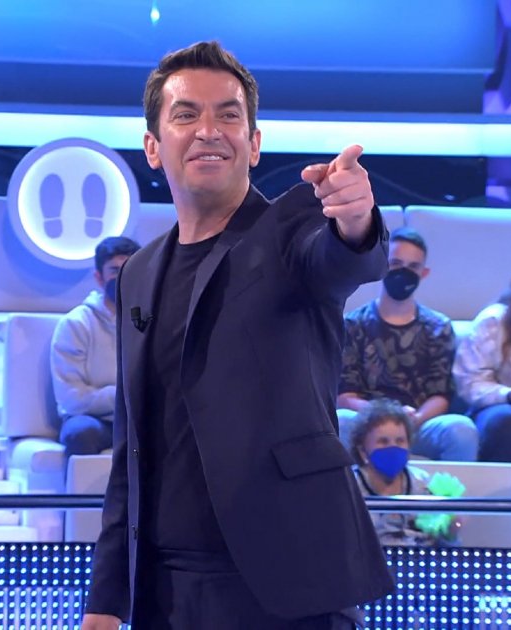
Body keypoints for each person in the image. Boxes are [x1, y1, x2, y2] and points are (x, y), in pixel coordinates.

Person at [82, 41, 394, 630]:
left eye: (228, 115)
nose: (209, 130)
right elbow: (132, 448)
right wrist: (105, 599)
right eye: (186, 115)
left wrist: (356, 219)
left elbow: (342, 257)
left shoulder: (293, 230)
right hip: (166, 593)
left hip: (290, 588)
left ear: (253, 143)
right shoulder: (139, 274)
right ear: (153, 147)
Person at [337, 227, 478, 462]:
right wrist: (387, 417)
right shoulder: (353, 324)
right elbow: (345, 396)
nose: (404, 272)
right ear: (381, 265)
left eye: (413, 267)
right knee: (341, 420)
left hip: (418, 424)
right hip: (367, 423)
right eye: (396, 263)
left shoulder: (438, 327)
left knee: (460, 430)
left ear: (424, 273)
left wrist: (414, 419)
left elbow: (441, 395)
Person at [50, 236, 140, 458]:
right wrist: (125, 395)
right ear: (99, 278)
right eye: (115, 270)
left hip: (141, 419)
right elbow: (71, 398)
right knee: (81, 433)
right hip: (94, 419)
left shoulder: (153, 319)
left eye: (131, 269)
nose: (124, 277)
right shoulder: (76, 324)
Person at [350, 398, 461, 546]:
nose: (393, 448)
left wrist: (452, 526)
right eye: (383, 441)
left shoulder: (424, 485)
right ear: (362, 451)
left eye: (400, 441)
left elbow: (447, 540)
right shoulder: (349, 488)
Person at [453, 263, 511, 462]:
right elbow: (471, 382)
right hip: (503, 407)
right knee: (507, 421)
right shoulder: (495, 321)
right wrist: (509, 394)